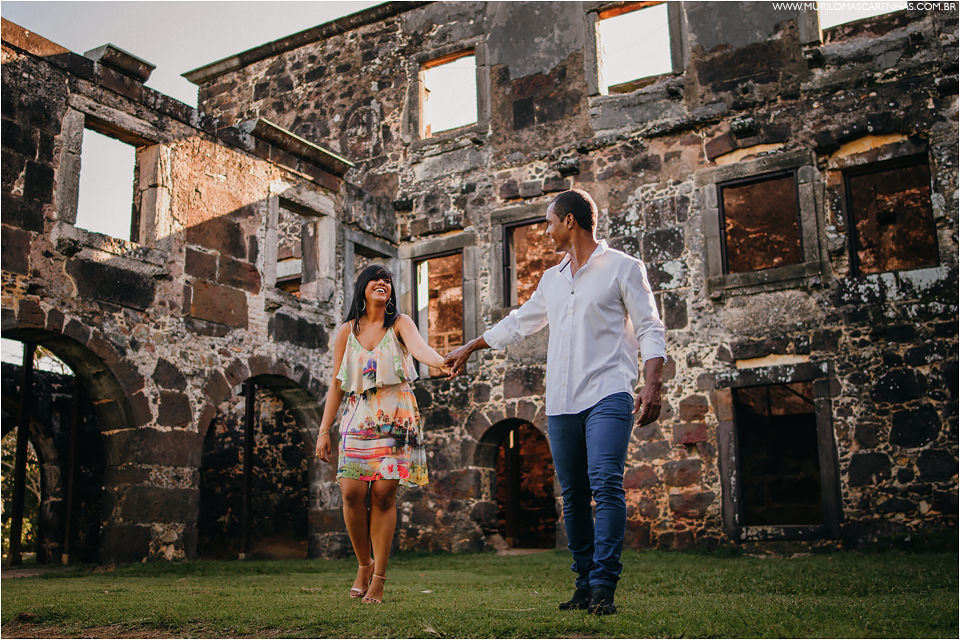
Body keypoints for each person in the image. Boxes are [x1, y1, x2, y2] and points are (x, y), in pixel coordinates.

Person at [445, 189, 666, 615]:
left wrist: (652, 384)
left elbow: (650, 328)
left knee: (605, 483)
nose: (545, 231)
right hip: (563, 401)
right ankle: (583, 582)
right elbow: (520, 322)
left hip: (609, 392)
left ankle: (604, 584)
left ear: (569, 221)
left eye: (549, 222)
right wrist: (472, 345)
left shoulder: (623, 267)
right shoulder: (552, 279)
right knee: (573, 494)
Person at [316, 264, 448, 604]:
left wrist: (442, 362)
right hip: (358, 415)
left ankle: (379, 578)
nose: (382, 283)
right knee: (351, 493)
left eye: (387, 280)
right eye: (375, 278)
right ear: (363, 287)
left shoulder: (400, 323)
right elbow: (337, 384)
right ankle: (364, 564)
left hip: (395, 415)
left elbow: (421, 350)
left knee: (384, 496)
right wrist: (323, 430)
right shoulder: (347, 331)